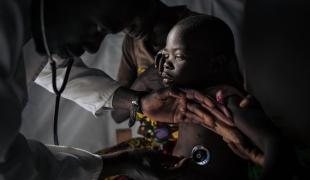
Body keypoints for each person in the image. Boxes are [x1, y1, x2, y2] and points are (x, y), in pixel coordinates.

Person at [0, 0, 194, 179]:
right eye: (99, 28)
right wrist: (115, 163)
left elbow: (54, 69)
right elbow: (11, 166)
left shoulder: (31, 27)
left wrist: (139, 101)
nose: (93, 48)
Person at [156, 15, 304, 179]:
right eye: (166, 54)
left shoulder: (224, 100)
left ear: (216, 64)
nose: (167, 64)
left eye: (178, 57)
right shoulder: (185, 96)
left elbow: (275, 143)